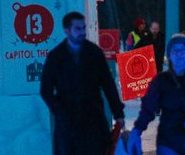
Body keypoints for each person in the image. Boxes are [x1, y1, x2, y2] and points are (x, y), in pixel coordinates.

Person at [40, 10, 125, 155]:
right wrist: (59, 110)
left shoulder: (94, 53)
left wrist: (118, 112)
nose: (82, 32)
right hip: (68, 122)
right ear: (67, 31)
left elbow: (108, 84)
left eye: (84, 27)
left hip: (93, 119)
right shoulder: (56, 57)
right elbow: (45, 89)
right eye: (77, 28)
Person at [128, 32, 185, 155]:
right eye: (175, 51)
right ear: (169, 55)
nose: (179, 54)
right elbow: (148, 108)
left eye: (183, 50)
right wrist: (137, 130)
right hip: (168, 141)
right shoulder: (161, 80)